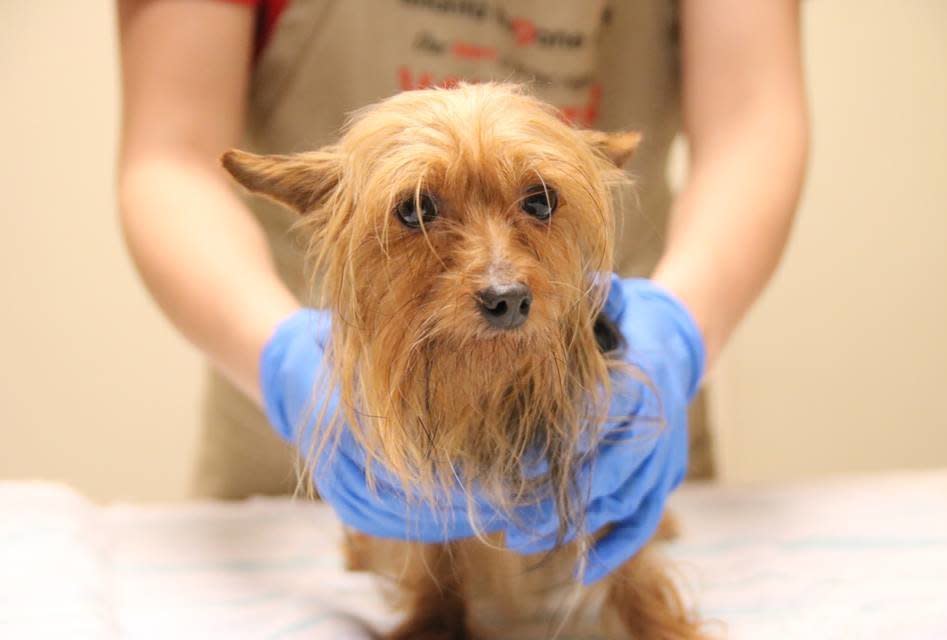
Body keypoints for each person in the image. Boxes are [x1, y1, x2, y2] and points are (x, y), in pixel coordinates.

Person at [116, 0, 807, 533]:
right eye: (418, 212)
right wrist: (280, 363)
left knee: (618, 562)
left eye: (538, 202)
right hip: (305, 469)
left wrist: (682, 332)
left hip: (615, 412)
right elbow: (170, 159)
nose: (499, 282)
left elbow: (753, 120)